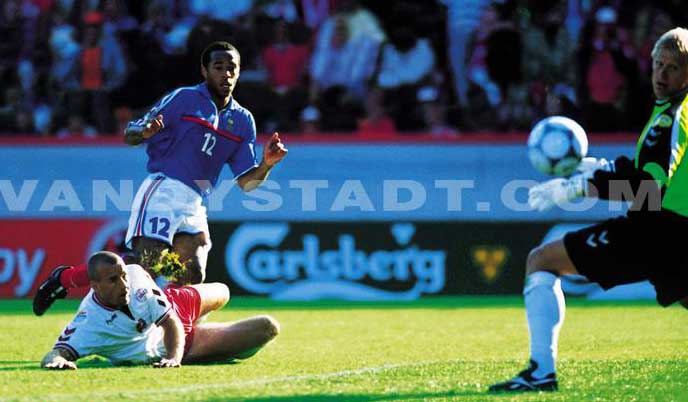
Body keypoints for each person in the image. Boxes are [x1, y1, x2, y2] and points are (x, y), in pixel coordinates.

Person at [488, 27, 688, 392]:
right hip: (678, 232)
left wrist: (580, 188)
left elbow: (648, 190)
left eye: (672, 67)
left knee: (541, 260)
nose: (661, 75)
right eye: (658, 64)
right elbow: (649, 175)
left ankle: (540, 371)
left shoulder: (671, 117)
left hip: (655, 232)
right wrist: (592, 167)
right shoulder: (676, 112)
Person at [33, 41, 288, 316]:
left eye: (232, 69)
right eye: (219, 67)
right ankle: (65, 279)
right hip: (164, 188)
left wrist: (267, 164)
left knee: (193, 274)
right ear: (204, 71)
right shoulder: (184, 99)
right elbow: (130, 133)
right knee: (142, 265)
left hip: (196, 201)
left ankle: (166, 327)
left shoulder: (242, 120)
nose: (226, 74)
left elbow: (247, 183)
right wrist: (144, 132)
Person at [41, 251, 279, 369]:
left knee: (223, 291)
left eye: (123, 276)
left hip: (174, 307)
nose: (124, 285)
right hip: (181, 343)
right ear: (94, 287)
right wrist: (58, 362)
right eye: (114, 280)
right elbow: (56, 353)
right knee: (267, 328)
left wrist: (172, 358)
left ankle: (201, 324)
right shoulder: (88, 322)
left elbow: (170, 321)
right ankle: (212, 340)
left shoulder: (135, 276)